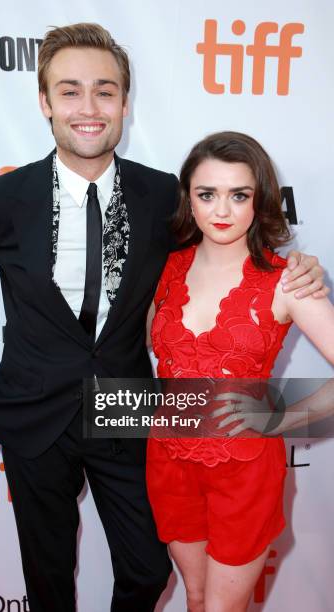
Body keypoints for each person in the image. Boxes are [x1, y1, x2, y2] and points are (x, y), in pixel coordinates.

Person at [0, 24, 327, 612]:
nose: (88, 108)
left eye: (105, 91)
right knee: (48, 578)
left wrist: (301, 266)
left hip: (130, 410)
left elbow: (224, 243)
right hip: (34, 411)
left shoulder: (163, 193)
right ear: (45, 102)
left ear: (123, 103)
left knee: (146, 569)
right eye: (69, 91)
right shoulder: (1, 199)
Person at [146, 131, 334, 612]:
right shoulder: (165, 269)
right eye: (207, 194)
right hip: (169, 461)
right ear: (189, 199)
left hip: (244, 471)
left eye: (239, 195)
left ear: (260, 200)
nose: (222, 210)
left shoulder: (287, 280)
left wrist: (282, 419)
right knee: (194, 595)